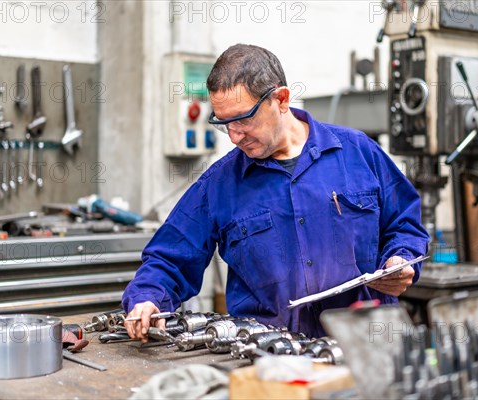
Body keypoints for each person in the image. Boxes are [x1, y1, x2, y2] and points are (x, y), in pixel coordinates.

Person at [123, 44, 429, 341]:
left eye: (243, 119)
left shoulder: (359, 153)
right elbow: (170, 257)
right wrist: (148, 298)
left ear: (280, 99)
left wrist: (400, 260)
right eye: (223, 124)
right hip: (271, 357)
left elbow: (404, 223)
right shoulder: (220, 184)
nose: (233, 136)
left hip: (366, 347)